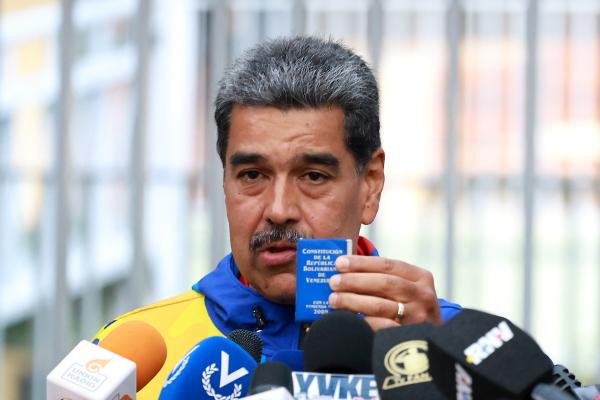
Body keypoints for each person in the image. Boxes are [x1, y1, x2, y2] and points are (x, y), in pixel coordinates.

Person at [93, 36, 461, 398]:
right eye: (252, 175)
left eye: (313, 176)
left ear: (370, 184)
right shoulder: (130, 354)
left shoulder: (456, 348)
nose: (279, 210)